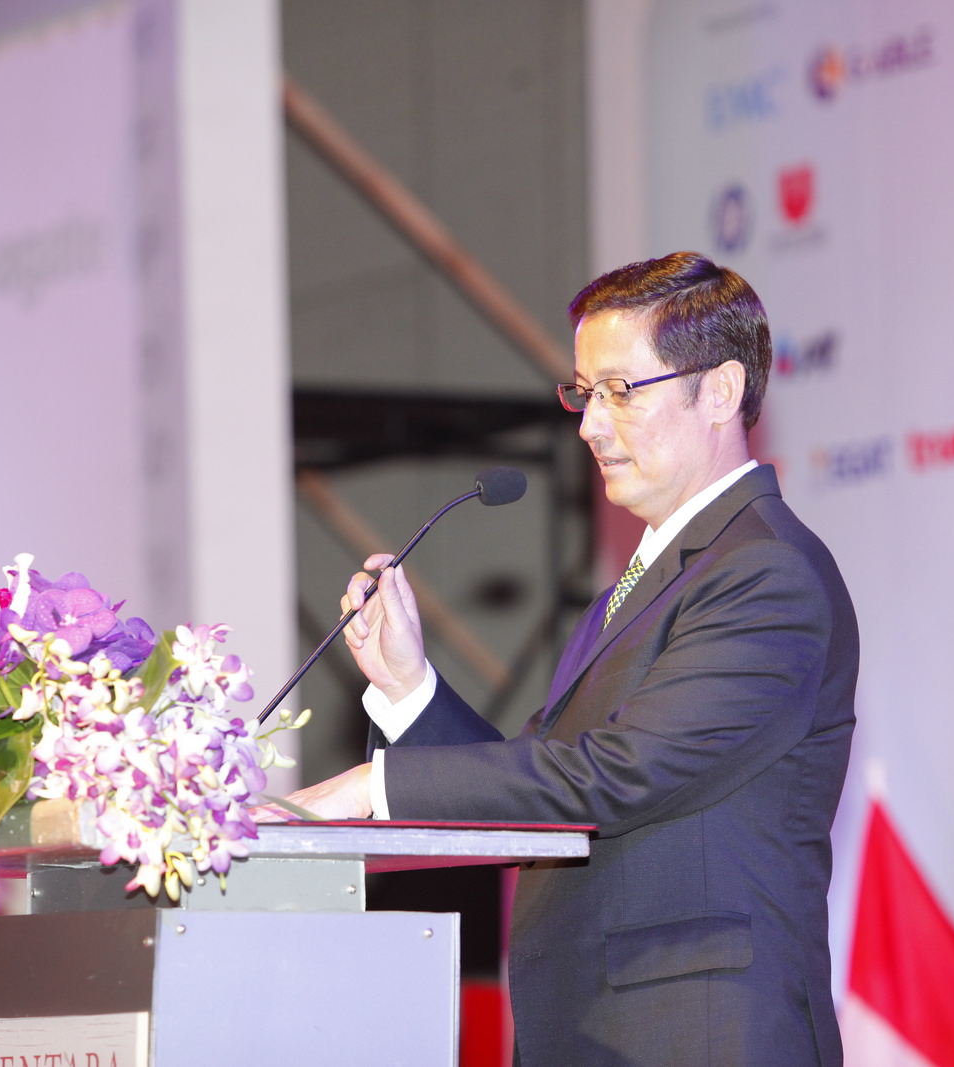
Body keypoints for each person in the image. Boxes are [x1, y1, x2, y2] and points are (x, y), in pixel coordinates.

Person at [282, 252, 858, 1066]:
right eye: (585, 393)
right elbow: (538, 791)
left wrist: (370, 788)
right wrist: (409, 687)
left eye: (621, 390)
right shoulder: (639, 588)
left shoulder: (765, 572)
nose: (590, 424)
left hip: (698, 1037)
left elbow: (615, 774)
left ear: (721, 392)